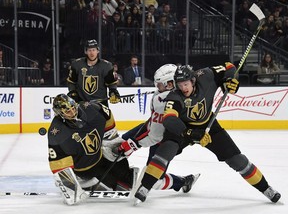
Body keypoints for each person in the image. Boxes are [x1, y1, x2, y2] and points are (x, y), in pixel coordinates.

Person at [132, 63, 281, 204]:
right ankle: (145, 187)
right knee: (164, 152)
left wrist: (231, 81)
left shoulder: (206, 76)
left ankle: (266, 189)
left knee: (237, 160)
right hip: (183, 129)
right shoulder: (174, 96)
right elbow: (169, 120)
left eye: (186, 84)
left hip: (208, 126)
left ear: (193, 80)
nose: (183, 88)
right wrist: (189, 133)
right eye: (180, 84)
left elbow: (229, 67)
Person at [116, 64, 200, 200]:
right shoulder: (163, 95)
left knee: (154, 179)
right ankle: (118, 176)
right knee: (120, 142)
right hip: (153, 127)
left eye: (160, 84)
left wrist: (133, 145)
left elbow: (155, 134)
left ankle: (184, 181)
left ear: (170, 84)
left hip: (163, 139)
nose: (157, 87)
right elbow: (153, 123)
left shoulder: (167, 100)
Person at [48, 94, 138, 205]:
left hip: (101, 156)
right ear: (59, 114)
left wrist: (110, 138)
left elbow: (107, 114)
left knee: (124, 170)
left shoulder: (90, 108)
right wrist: (70, 186)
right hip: (85, 169)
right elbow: (58, 164)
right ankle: (92, 184)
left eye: (73, 107)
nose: (72, 112)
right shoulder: (57, 132)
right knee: (112, 183)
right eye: (67, 111)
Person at [66, 39, 120, 106]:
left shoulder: (106, 66)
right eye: (89, 50)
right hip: (82, 104)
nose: (92, 53)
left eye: (94, 50)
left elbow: (111, 83)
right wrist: (72, 92)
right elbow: (71, 82)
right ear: (86, 51)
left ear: (98, 51)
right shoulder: (77, 64)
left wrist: (113, 92)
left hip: (100, 105)